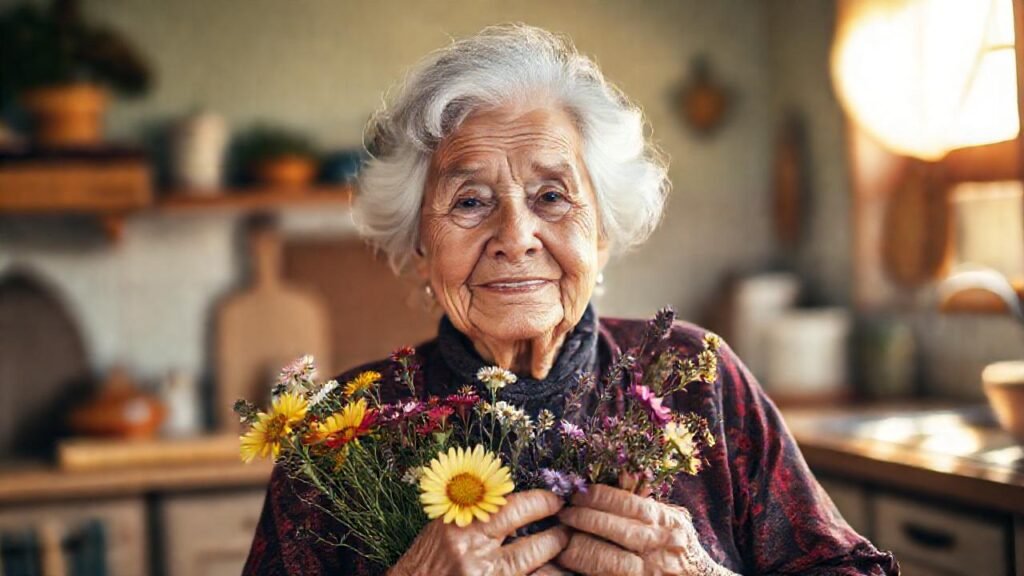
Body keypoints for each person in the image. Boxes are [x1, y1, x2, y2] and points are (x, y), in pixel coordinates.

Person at [242, 23, 899, 576]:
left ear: (602, 234)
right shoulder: (341, 435)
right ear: (420, 245)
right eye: (470, 201)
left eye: (551, 197)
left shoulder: (698, 380)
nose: (516, 237)